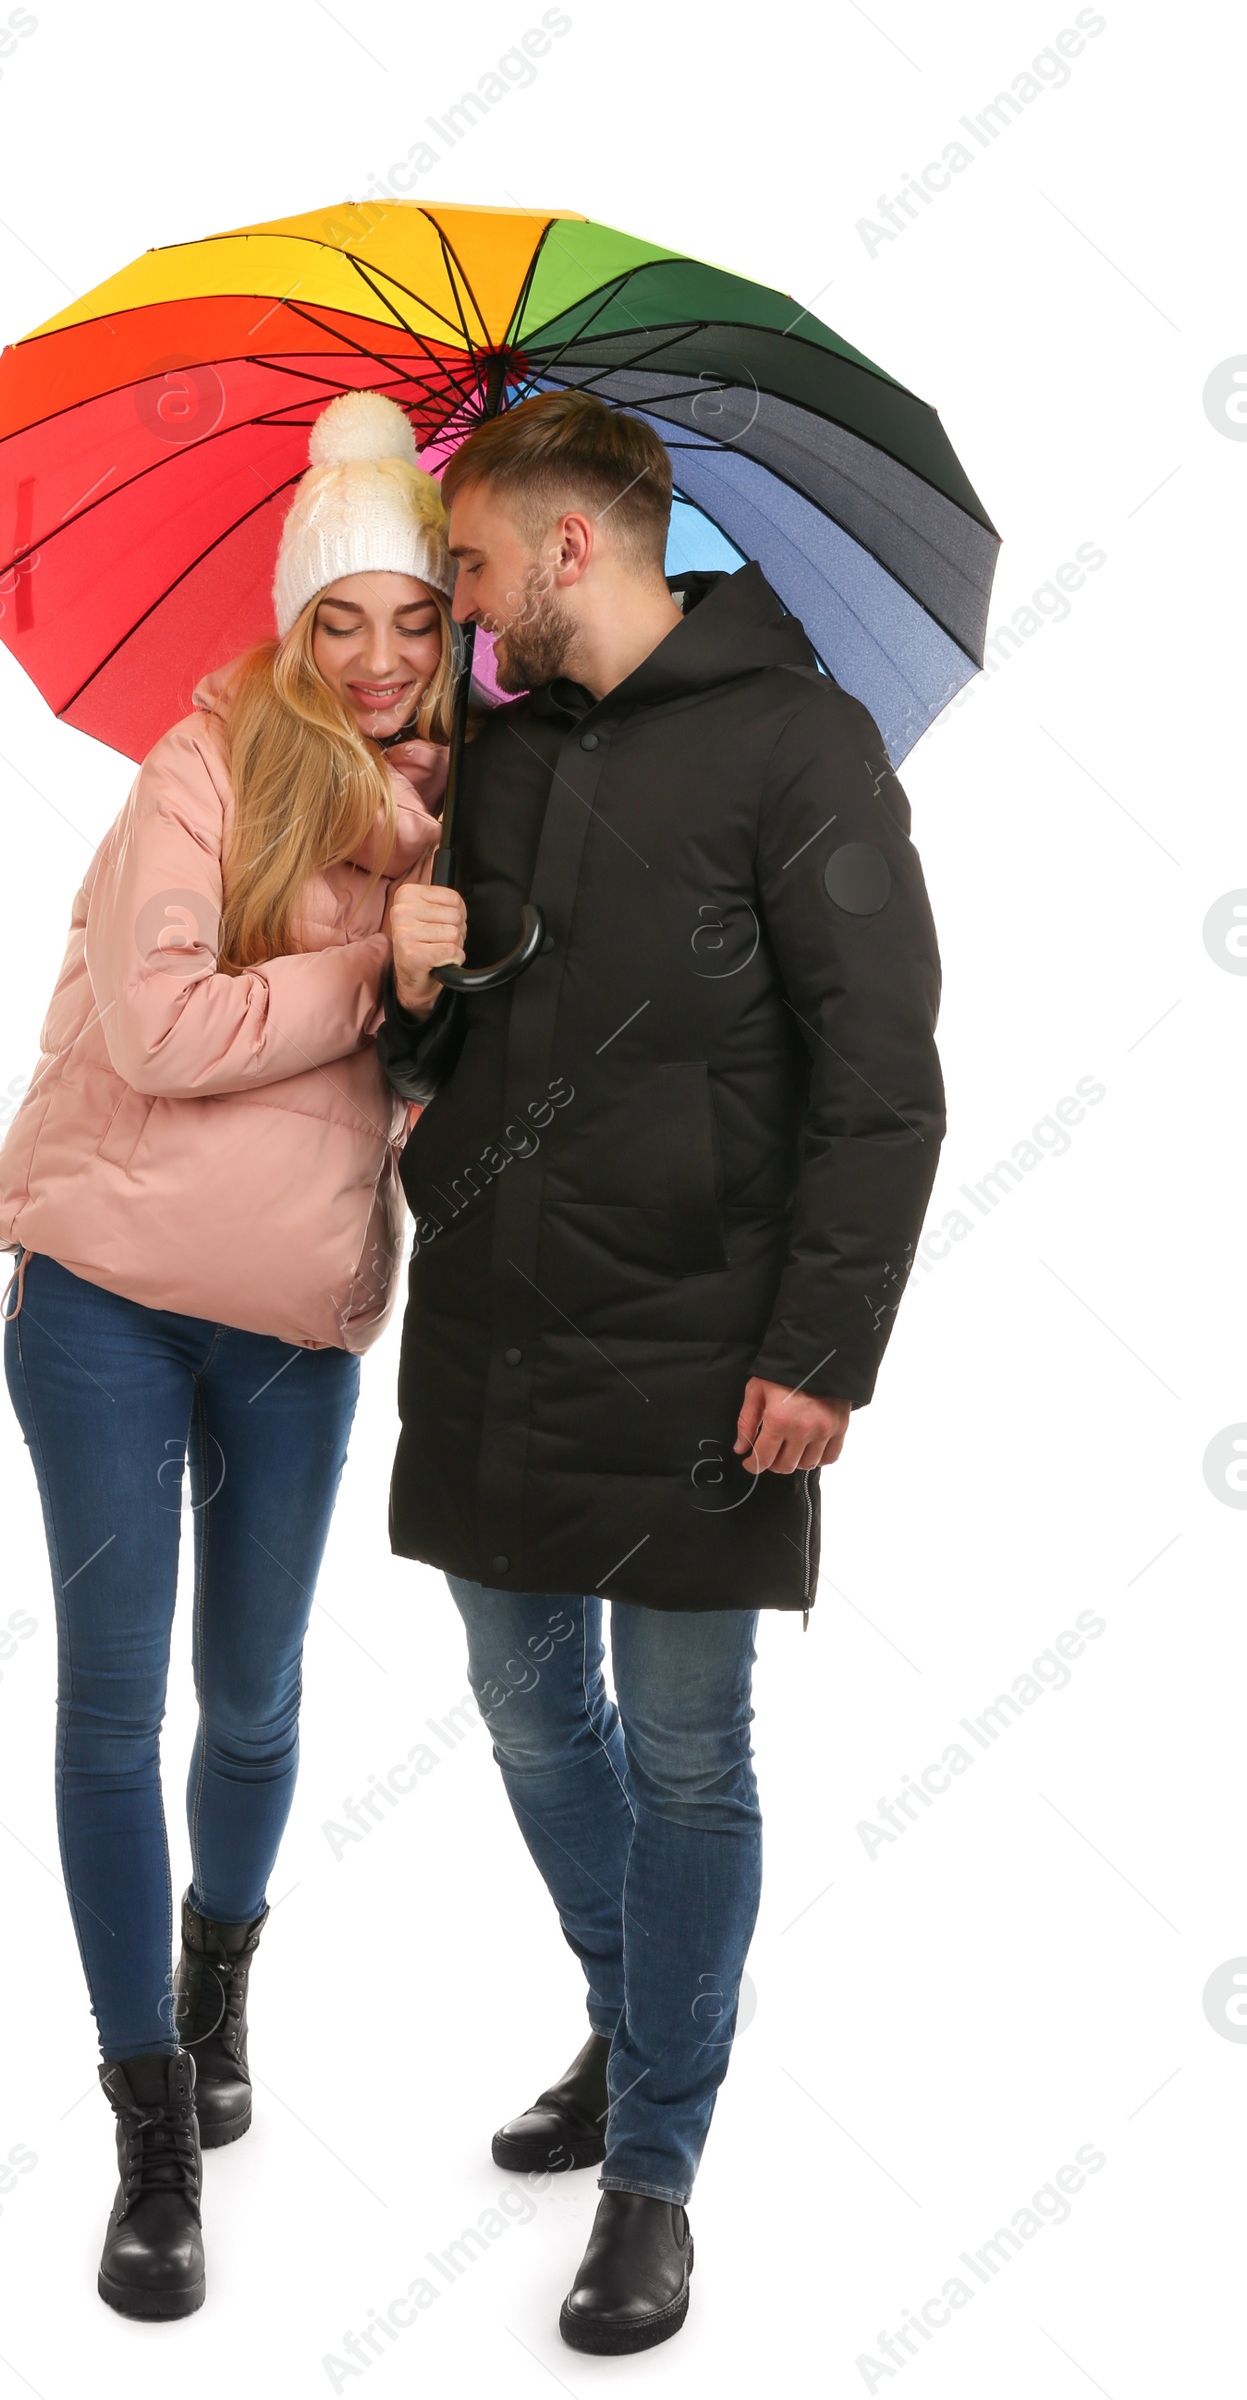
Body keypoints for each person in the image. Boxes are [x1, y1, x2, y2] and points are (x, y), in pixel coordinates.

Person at [381, 389, 945, 2355]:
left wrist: (818, 1353)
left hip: (712, 1353)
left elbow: (881, 1086)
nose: (444, 599)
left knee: (688, 1754)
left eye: (463, 560)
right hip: (492, 1335)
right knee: (529, 1721)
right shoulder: (497, 751)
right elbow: (436, 1070)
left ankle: (654, 2174)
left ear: (562, 546)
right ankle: (636, 2026)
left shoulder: (800, 746)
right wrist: (417, 981)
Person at [0, 390, 455, 2322]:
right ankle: (151, 2118)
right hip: (99, 1301)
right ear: (286, 623)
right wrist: (368, 970)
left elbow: (464, 1081)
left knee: (249, 1701)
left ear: (453, 629)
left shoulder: (478, 804)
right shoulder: (197, 772)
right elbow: (165, 1035)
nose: (372, 658)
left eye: (412, 618)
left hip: (293, 1331)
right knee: (117, 1710)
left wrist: (449, 986)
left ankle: (220, 1969)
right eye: (336, 618)